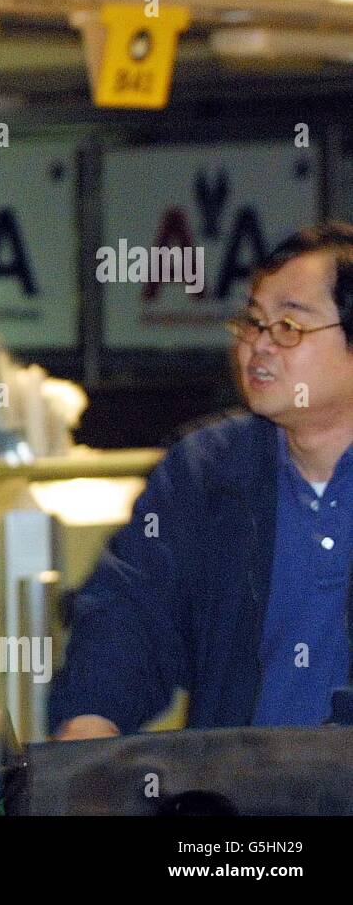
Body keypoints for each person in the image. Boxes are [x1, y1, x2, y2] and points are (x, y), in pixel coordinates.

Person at [51, 223, 353, 739]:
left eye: (288, 327)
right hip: (236, 791)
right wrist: (88, 733)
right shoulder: (205, 471)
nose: (258, 347)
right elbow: (129, 616)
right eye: (253, 322)